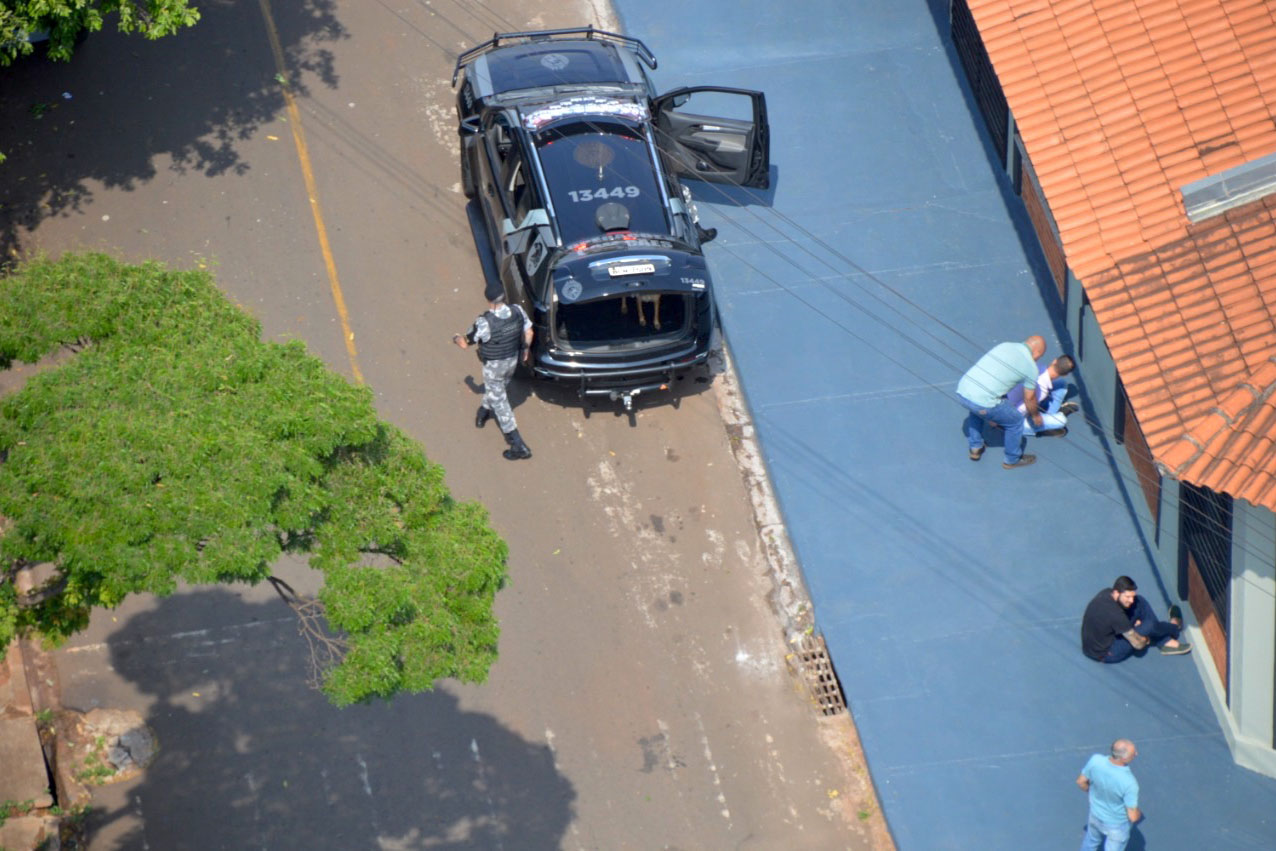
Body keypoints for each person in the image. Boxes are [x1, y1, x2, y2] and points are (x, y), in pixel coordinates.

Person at [452, 289, 534, 461]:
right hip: (512, 361)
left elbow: (465, 343)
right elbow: (529, 332)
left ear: (488, 299)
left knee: (501, 404)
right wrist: (525, 350)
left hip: (494, 367)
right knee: (497, 391)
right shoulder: (518, 310)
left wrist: (456, 338)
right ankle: (483, 412)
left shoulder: (484, 322)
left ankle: (518, 444)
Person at [955, 335, 1046, 469]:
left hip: (963, 391)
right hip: (982, 403)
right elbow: (1029, 398)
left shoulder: (1004, 345)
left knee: (976, 410)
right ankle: (1012, 459)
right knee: (1015, 421)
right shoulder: (1031, 368)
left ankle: (975, 447)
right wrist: (1035, 415)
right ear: (1037, 352)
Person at [1080, 576, 1191, 663]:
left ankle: (1163, 640)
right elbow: (1138, 644)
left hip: (1092, 645)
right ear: (1116, 593)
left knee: (1139, 601)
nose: (1131, 600)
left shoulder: (1106, 593)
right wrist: (1146, 639)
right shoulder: (1117, 616)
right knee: (1150, 625)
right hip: (1108, 653)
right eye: (1127, 597)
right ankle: (1174, 628)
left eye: (1132, 596)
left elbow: (1119, 614)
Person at [1076, 738, 1141, 851]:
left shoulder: (1095, 760)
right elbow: (1133, 817)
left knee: (1091, 842)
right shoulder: (1129, 783)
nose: (1136, 754)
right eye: (1133, 753)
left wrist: (1092, 793)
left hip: (1095, 816)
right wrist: (1138, 813)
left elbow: (1081, 782)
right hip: (1116, 825)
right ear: (1124, 758)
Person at [1007, 354, 1079, 437]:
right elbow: (1022, 409)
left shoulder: (1038, 366)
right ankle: (1046, 426)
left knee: (1061, 384)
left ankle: (1049, 418)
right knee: (1061, 421)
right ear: (1065, 375)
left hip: (1011, 396)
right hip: (1013, 418)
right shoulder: (1042, 392)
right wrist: (1036, 416)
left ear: (1054, 361)